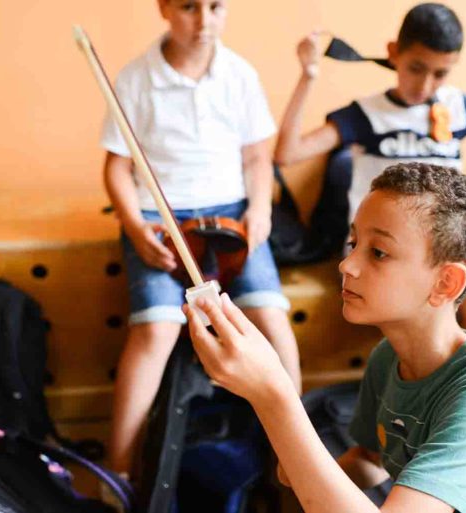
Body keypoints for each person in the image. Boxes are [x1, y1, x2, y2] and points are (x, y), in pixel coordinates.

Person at [185, 162, 466, 513]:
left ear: (445, 283)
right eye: (353, 242)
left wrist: (273, 395)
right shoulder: (389, 357)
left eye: (378, 253)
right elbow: (372, 460)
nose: (347, 264)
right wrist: (305, 464)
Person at [272, 2, 466, 346]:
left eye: (439, 74)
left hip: (444, 249)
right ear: (394, 53)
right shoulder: (367, 114)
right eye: (416, 68)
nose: (425, 85)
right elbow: (288, 153)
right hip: (383, 250)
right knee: (418, 311)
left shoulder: (457, 107)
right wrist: (308, 76)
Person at [100, 0, 301, 480]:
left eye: (215, 6)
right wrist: (134, 226)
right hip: (159, 216)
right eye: (190, 6)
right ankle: (118, 473)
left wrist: (260, 209)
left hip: (232, 213)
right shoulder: (135, 78)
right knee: (156, 329)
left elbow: (257, 159)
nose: (204, 20)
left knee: (271, 320)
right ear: (165, 8)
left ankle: (295, 463)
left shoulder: (240, 74)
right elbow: (117, 168)